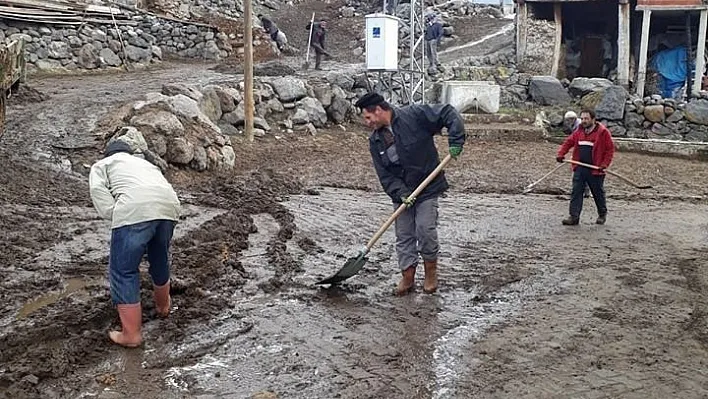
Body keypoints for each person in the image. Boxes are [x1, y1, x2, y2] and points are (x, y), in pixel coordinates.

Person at [354, 92, 466, 296]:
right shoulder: (376, 141)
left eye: (368, 117)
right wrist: (401, 193)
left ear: (378, 110)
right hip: (403, 194)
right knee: (404, 235)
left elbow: (448, 113)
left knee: (425, 230)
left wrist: (456, 140)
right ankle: (408, 277)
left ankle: (431, 273)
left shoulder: (414, 115)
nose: (367, 122)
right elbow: (385, 176)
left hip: (428, 186)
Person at [89, 140, 181, 347]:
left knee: (123, 270)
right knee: (159, 258)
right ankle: (164, 307)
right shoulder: (147, 164)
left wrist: (117, 214)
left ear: (107, 154)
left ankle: (131, 335)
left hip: (134, 209)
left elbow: (98, 191)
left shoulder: (102, 165)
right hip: (169, 207)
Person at [556, 109, 615, 226]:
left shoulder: (603, 132)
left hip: (596, 169)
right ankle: (574, 217)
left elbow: (609, 150)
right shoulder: (579, 131)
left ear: (593, 119)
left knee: (598, 193)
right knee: (576, 192)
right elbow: (569, 142)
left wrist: (604, 165)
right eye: (582, 118)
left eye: (586, 119)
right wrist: (561, 154)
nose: (583, 121)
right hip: (580, 167)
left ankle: (602, 214)